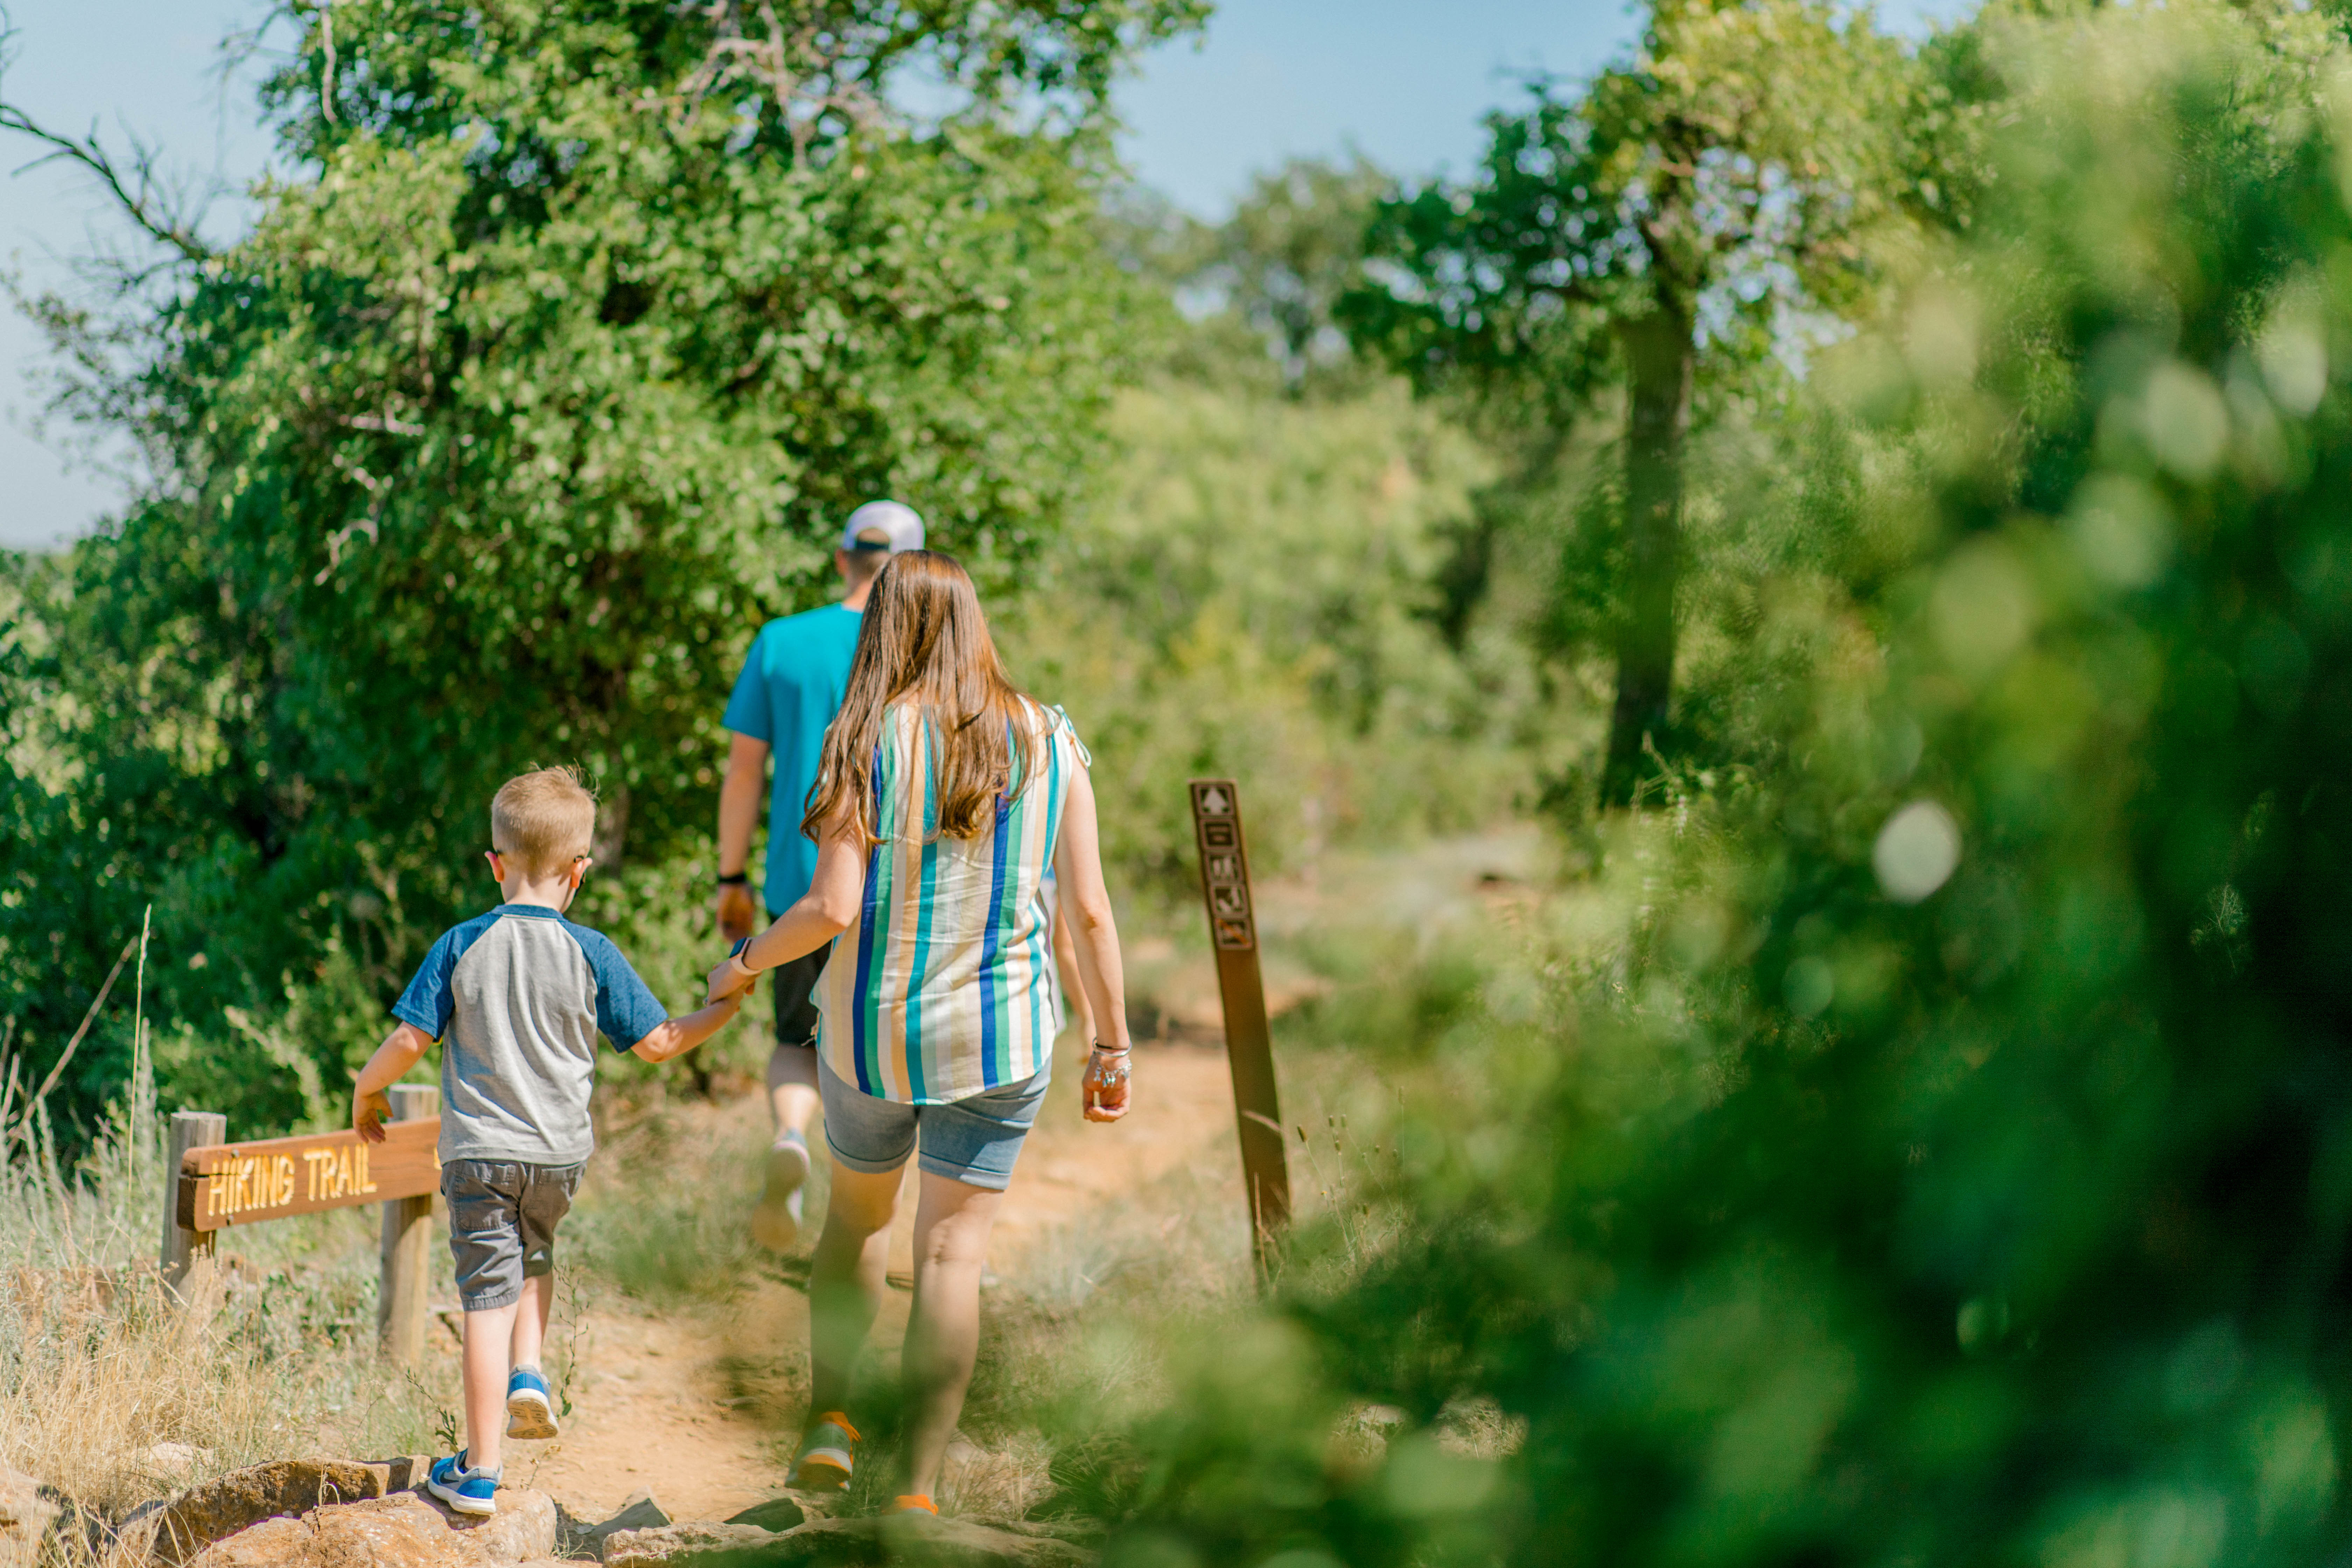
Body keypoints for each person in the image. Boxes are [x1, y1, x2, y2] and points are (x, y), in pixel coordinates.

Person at [704, 551, 1135, 1517]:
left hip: (870, 1036)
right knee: (951, 1259)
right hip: (1002, 1039)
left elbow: (828, 907)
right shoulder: (1051, 741)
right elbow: (1091, 913)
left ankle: (830, 1425)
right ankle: (916, 1493)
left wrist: (739, 968)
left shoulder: (861, 740)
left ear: (884, 628)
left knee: (855, 1221)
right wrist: (1113, 1045)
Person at [352, 767, 745, 1518]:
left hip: (479, 1155)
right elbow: (662, 1041)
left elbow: (408, 1036)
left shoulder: (464, 942)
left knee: (483, 1302)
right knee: (536, 1252)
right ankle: (529, 1371)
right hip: (559, 1157)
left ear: (495, 863)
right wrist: (722, 1005)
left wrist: (367, 1089)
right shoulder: (592, 950)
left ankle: (479, 1469)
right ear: (580, 872)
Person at [717, 500, 927, 1252]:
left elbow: (744, 774)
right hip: (902, 890)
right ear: (914, 572)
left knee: (798, 1041)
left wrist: (729, 876)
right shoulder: (927, 645)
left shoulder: (782, 641)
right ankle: (876, 1213)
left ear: (843, 558)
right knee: (895, 1052)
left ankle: (793, 1135)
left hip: (801, 889)